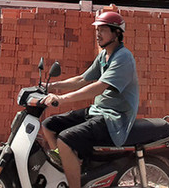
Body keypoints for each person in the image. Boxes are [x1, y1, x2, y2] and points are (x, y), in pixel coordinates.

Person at [41, 11, 140, 187]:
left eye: (103, 30)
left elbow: (99, 87)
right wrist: (51, 86)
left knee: (65, 139)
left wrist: (62, 99)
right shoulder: (104, 55)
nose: (98, 34)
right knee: (48, 125)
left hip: (114, 118)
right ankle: (72, 165)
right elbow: (82, 79)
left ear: (117, 33)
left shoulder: (123, 57)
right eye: (97, 30)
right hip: (98, 112)